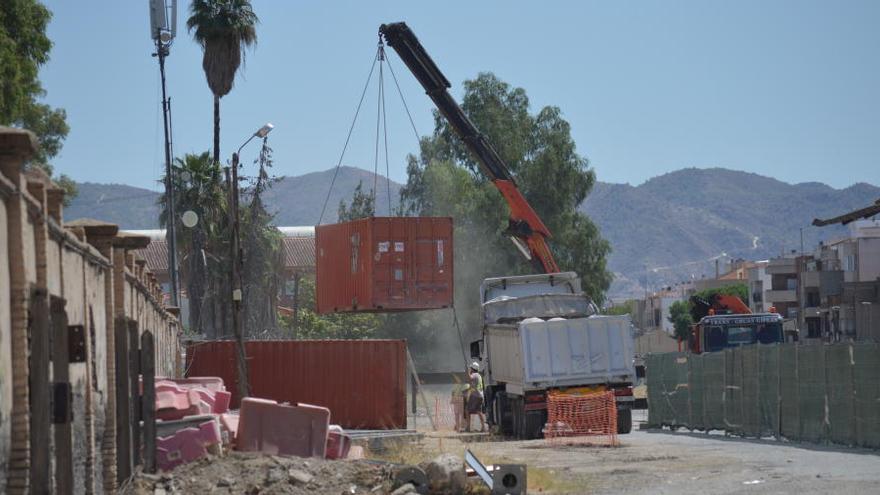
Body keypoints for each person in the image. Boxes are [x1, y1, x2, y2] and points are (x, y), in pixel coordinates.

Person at [463, 361, 486, 432]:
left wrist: (467, 371)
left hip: (475, 396)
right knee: (479, 411)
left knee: (467, 410)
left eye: (471, 368)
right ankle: (483, 427)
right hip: (480, 395)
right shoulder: (479, 376)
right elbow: (473, 384)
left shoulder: (475, 375)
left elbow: (469, 378)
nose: (470, 369)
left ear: (473, 368)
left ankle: (468, 428)